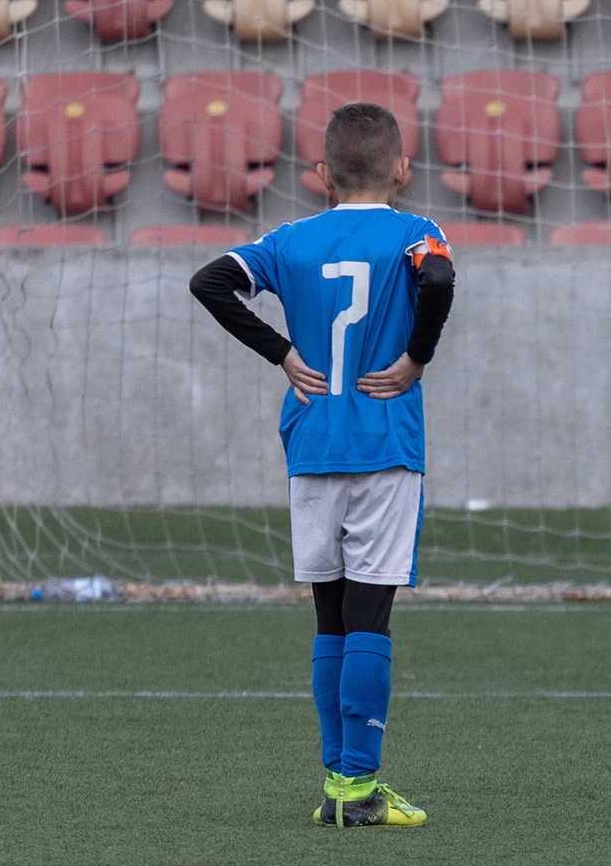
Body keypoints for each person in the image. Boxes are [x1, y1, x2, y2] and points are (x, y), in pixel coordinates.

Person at [189, 96, 455, 829]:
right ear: (403, 169)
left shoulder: (290, 240)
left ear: (320, 175)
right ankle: (360, 789)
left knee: (329, 621)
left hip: (311, 447)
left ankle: (339, 786)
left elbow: (209, 281)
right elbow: (436, 281)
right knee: (371, 619)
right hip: (384, 445)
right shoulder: (416, 231)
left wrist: (281, 352)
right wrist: (415, 360)